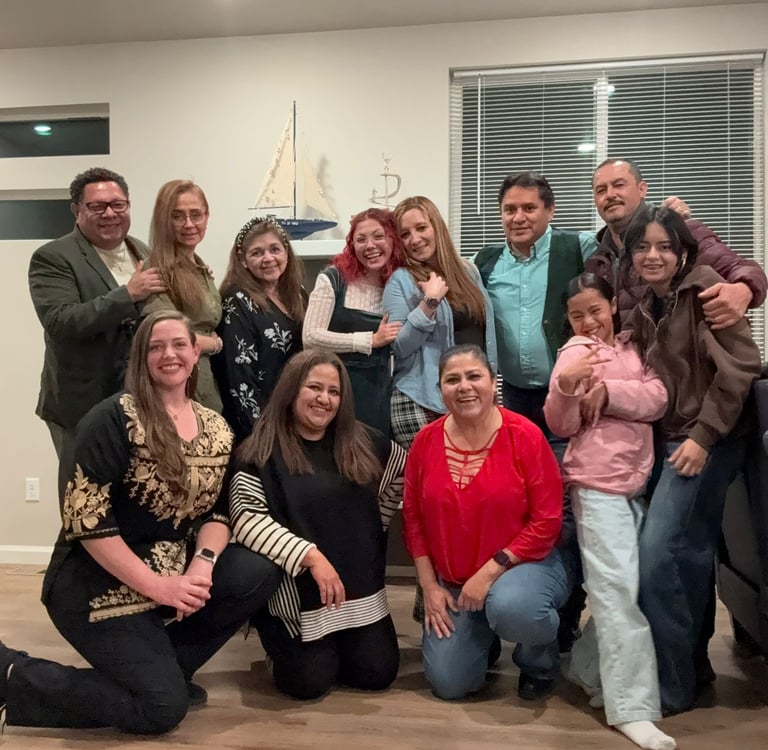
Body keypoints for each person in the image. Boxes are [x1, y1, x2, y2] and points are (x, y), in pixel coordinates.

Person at [0, 310, 281, 735]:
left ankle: (161, 668)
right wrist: (157, 585)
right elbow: (86, 521)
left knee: (257, 571)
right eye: (155, 346)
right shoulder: (112, 420)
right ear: (141, 357)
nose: (169, 354)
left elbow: (218, 512)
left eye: (178, 344)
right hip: (93, 580)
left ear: (194, 352)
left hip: (172, 573)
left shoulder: (218, 428)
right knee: (161, 709)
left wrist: (203, 562)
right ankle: (10, 674)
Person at [623, 205, 761, 715]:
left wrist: (703, 437)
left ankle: (672, 688)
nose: (652, 255)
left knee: (659, 557)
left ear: (681, 252)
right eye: (642, 247)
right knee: (689, 556)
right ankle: (693, 673)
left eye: (663, 246)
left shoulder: (704, 290)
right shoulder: (646, 307)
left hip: (708, 443)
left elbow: (741, 366)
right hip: (668, 441)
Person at [228, 349, 407, 700]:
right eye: (314, 388)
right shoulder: (260, 451)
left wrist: (376, 526)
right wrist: (310, 556)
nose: (324, 399)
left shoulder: (365, 440)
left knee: (376, 674)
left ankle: (342, 639)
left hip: (359, 592)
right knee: (308, 683)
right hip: (298, 594)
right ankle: (276, 638)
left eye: (334, 391)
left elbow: (400, 474)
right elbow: (247, 521)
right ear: (292, 390)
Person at [544, 273, 675, 750]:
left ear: (612, 306)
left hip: (638, 485)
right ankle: (633, 710)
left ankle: (583, 667)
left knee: (627, 589)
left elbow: (659, 398)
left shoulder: (634, 349)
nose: (588, 321)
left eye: (594, 310)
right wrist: (567, 388)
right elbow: (558, 422)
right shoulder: (572, 353)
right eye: (577, 314)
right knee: (617, 594)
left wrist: (612, 394)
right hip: (595, 486)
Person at [403, 344, 573, 702]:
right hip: (454, 582)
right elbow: (414, 519)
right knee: (449, 684)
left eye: (473, 376)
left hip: (525, 568)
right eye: (452, 380)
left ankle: (537, 661)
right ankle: (483, 637)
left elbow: (547, 521)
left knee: (514, 608)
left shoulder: (525, 436)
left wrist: (489, 572)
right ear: (440, 390)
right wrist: (430, 587)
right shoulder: (425, 442)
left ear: (493, 384)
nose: (464, 386)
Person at [28, 166, 165, 508]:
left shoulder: (142, 251)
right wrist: (127, 294)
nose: (110, 214)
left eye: (118, 205)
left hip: (138, 401)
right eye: (97, 206)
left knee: (132, 502)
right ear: (77, 211)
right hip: (81, 405)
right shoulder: (53, 257)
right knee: (84, 503)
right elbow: (61, 321)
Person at [474, 171, 596, 432]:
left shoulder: (578, 248)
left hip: (570, 390)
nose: (518, 218)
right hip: (513, 395)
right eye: (509, 210)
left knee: (568, 468)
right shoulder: (485, 262)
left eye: (529, 208)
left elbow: (629, 249)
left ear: (550, 210)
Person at [589, 158, 767, 326]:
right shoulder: (597, 260)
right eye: (601, 190)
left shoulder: (679, 232)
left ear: (642, 189)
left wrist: (744, 290)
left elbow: (744, 268)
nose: (610, 195)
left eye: (619, 185)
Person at [383, 196, 497, 449]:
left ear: (437, 226)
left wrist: (490, 386)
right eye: (405, 234)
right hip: (420, 401)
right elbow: (399, 347)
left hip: (471, 396)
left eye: (421, 228)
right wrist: (429, 303)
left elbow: (485, 336)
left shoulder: (468, 272)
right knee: (440, 485)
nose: (415, 239)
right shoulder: (401, 280)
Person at [303, 208, 403, 435]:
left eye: (378, 236)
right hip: (335, 393)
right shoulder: (333, 279)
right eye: (361, 239)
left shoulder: (399, 284)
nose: (370, 245)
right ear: (351, 245)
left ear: (393, 239)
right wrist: (370, 340)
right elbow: (310, 337)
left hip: (380, 396)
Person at [212, 216, 306, 443]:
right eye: (257, 253)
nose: (268, 258)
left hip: (295, 419)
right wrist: (262, 435)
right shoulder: (237, 301)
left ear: (286, 253)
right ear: (243, 260)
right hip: (258, 427)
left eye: (275, 249)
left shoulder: (298, 294)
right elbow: (239, 382)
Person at [142, 179, 223, 412]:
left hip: (205, 378)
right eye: (177, 216)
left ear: (207, 217)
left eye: (196, 214)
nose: (189, 224)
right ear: (163, 220)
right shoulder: (157, 270)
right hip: (177, 385)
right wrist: (216, 343)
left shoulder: (199, 267)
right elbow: (166, 337)